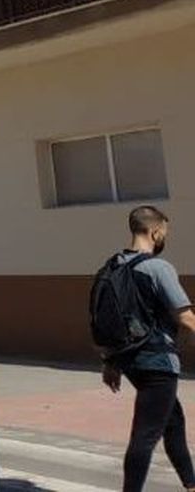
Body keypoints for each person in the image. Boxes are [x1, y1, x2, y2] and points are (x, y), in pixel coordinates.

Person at [99, 206, 195, 491]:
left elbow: (110, 318)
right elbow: (185, 317)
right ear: (155, 232)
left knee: (172, 421)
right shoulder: (157, 267)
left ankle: (191, 484)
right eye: (164, 232)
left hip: (131, 361)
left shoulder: (113, 266)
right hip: (158, 362)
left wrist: (110, 362)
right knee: (145, 434)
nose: (165, 237)